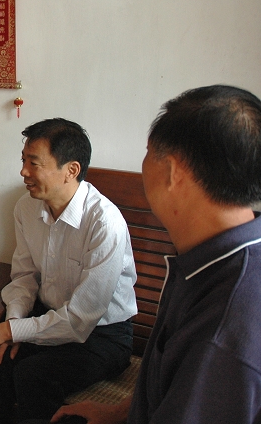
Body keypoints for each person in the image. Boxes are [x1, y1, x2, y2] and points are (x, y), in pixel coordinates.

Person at [46, 85, 261, 424]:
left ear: (173, 172)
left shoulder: (226, 322)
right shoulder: (213, 259)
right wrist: (119, 412)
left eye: (148, 152)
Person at [0, 118, 138, 424]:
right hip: (48, 316)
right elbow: (24, 277)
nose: (23, 172)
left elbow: (80, 320)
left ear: (71, 170)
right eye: (23, 161)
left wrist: (10, 331)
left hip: (102, 335)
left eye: (34, 163)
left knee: (34, 374)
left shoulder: (104, 223)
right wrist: (13, 323)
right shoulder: (26, 208)